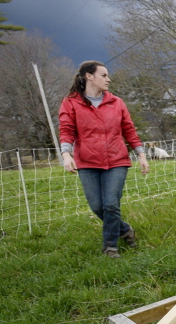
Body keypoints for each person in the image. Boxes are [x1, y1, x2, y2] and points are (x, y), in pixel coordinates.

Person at [59, 61, 149, 258]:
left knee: (110, 205)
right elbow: (66, 130)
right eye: (104, 75)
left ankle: (110, 246)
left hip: (117, 161)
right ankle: (125, 230)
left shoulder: (116, 102)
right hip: (87, 162)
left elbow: (129, 130)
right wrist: (66, 154)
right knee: (97, 207)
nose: (108, 79)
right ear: (89, 76)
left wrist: (141, 155)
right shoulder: (71, 102)